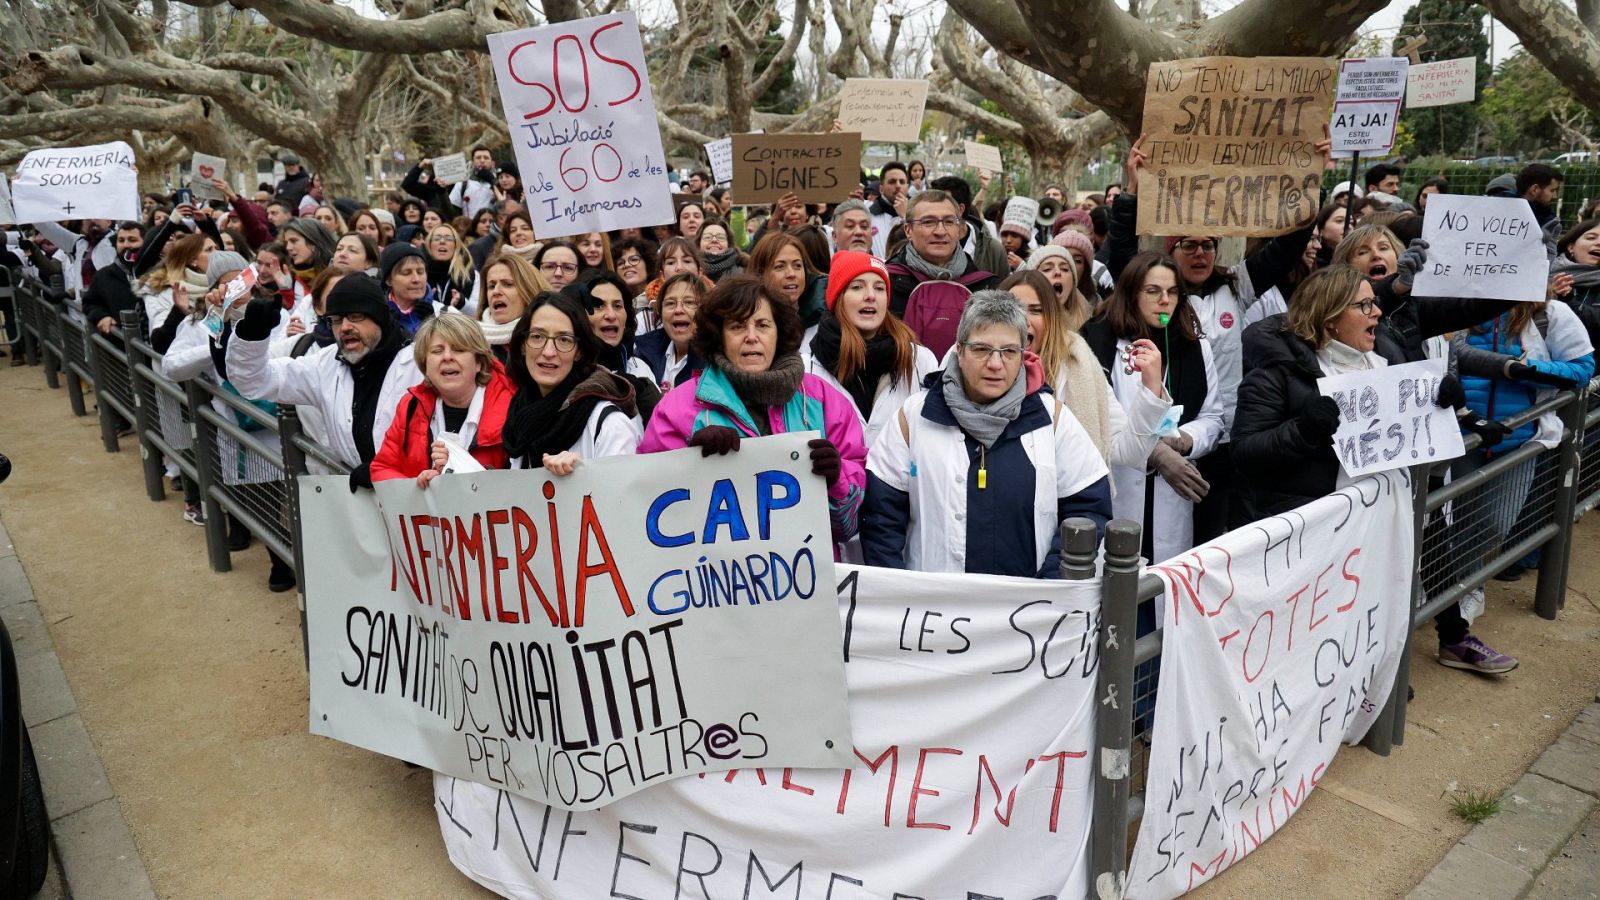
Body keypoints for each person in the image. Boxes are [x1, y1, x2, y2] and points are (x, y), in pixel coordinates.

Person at [861, 290, 1112, 576]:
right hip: (934, 601)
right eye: (981, 349)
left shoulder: (1051, 420)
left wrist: (1052, 584)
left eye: (1009, 352)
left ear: (1023, 355)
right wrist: (900, 591)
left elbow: (1087, 509)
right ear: (959, 350)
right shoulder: (914, 418)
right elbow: (880, 518)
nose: (995, 364)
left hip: (1030, 601)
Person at [640, 276, 868, 544]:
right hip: (717, 568)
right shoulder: (677, 409)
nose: (751, 337)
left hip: (806, 567)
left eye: (762, 325)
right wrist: (690, 464)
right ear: (719, 337)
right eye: (737, 326)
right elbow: (650, 508)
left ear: (779, 333)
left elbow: (848, 527)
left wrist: (836, 479)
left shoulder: (823, 400)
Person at [162, 251, 298, 590]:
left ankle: (299, 559)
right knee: (260, 499)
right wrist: (216, 347)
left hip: (283, 418)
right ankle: (280, 563)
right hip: (239, 427)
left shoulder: (275, 311)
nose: (237, 288)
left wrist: (286, 337)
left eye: (242, 279)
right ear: (214, 288)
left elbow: (285, 354)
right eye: (227, 283)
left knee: (295, 497)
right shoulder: (201, 323)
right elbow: (172, 366)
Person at [1083, 253, 1226, 563]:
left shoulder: (1195, 347)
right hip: (1118, 488)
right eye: (1153, 291)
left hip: (1170, 495)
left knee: (1164, 581)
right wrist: (1156, 452)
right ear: (1131, 293)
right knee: (1117, 577)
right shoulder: (1098, 342)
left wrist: (1183, 440)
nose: (1164, 301)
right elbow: (1097, 420)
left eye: (1172, 292)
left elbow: (1213, 418)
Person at [227, 272, 424, 490]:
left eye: (355, 316)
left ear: (379, 317)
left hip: (414, 494)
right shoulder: (327, 364)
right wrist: (252, 334)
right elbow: (254, 381)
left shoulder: (420, 364)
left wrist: (389, 470)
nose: (345, 327)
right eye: (336, 320)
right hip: (354, 497)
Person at [1002, 269, 1168, 467]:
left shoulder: (1082, 365)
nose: (1024, 320)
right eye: (1013, 310)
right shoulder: (978, 370)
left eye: (1036, 310)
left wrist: (1151, 391)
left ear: (1052, 319)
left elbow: (1127, 453)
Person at [803, 251, 937, 451]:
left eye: (879, 288)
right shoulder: (806, 369)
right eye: (857, 287)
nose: (871, 296)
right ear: (838, 298)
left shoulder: (920, 360)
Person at [503, 292, 643, 472]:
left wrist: (582, 474)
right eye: (537, 336)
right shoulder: (520, 413)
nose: (548, 352)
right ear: (523, 345)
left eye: (564, 340)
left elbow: (621, 488)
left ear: (579, 352)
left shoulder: (610, 424)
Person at [370, 314, 515, 483]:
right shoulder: (410, 405)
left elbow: (520, 482)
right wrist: (421, 486)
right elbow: (382, 468)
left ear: (479, 363)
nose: (447, 357)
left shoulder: (511, 407)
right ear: (425, 365)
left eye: (458, 349)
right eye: (437, 351)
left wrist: (457, 470)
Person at [886, 190, 1002, 358]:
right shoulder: (885, 285)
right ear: (908, 230)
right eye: (928, 222)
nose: (940, 231)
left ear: (959, 229)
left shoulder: (986, 288)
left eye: (949, 221)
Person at [633, 272, 707, 391]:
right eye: (670, 303)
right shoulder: (643, 354)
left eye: (689, 302)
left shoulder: (716, 363)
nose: (678, 310)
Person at [928, 175, 1009, 278]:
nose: (932, 212)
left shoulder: (993, 251)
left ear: (960, 209)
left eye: (940, 206)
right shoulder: (921, 244)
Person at [477, 253, 551, 362]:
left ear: (529, 291)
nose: (496, 291)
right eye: (491, 286)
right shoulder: (472, 343)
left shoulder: (550, 340)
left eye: (507, 284)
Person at [82, 222, 147, 336]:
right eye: (121, 240)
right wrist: (102, 316)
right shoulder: (104, 275)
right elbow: (90, 303)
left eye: (132, 240)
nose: (126, 245)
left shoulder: (157, 273)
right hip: (120, 342)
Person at [749, 232, 821, 325]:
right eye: (780, 267)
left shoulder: (820, 319)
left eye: (797, 265)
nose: (791, 274)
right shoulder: (748, 323)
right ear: (760, 273)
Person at [1550, 217, 1600, 345]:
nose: (1599, 243)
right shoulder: (1544, 274)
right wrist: (1549, 295)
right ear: (1571, 247)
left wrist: (1569, 300)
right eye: (1591, 238)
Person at [1019, 244, 1092, 330]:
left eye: (1064, 269)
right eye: (1047, 269)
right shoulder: (1020, 323)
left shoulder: (1090, 322)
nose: (1058, 272)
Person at [423, 224, 477, 313]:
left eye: (448, 239)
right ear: (429, 245)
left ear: (456, 245)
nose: (442, 241)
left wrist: (462, 303)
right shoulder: (418, 273)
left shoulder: (470, 273)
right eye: (437, 238)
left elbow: (477, 311)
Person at [1517, 163, 1564, 256]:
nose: (1555, 196)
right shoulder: (1499, 212)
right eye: (1552, 190)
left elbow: (1550, 255)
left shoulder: (1551, 222)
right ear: (1534, 189)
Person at [278, 218, 336, 292]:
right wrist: (286, 290)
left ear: (313, 243)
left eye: (293, 241)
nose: (288, 248)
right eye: (286, 243)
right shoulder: (288, 277)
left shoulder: (335, 275)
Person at [869, 162, 909, 258]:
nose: (898, 185)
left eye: (902, 182)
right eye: (892, 182)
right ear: (881, 189)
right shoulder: (868, 215)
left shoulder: (918, 215)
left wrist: (906, 217)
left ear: (907, 187)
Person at [697, 219, 745, 283]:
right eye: (707, 237)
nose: (714, 240)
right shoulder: (690, 270)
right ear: (698, 243)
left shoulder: (744, 274)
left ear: (729, 244)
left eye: (720, 237)